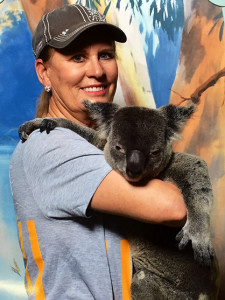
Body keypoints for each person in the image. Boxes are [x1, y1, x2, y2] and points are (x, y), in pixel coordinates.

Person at [10, 4, 186, 300]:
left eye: (105, 55)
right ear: (44, 73)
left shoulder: (94, 142)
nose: (97, 71)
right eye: (77, 57)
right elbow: (172, 206)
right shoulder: (49, 143)